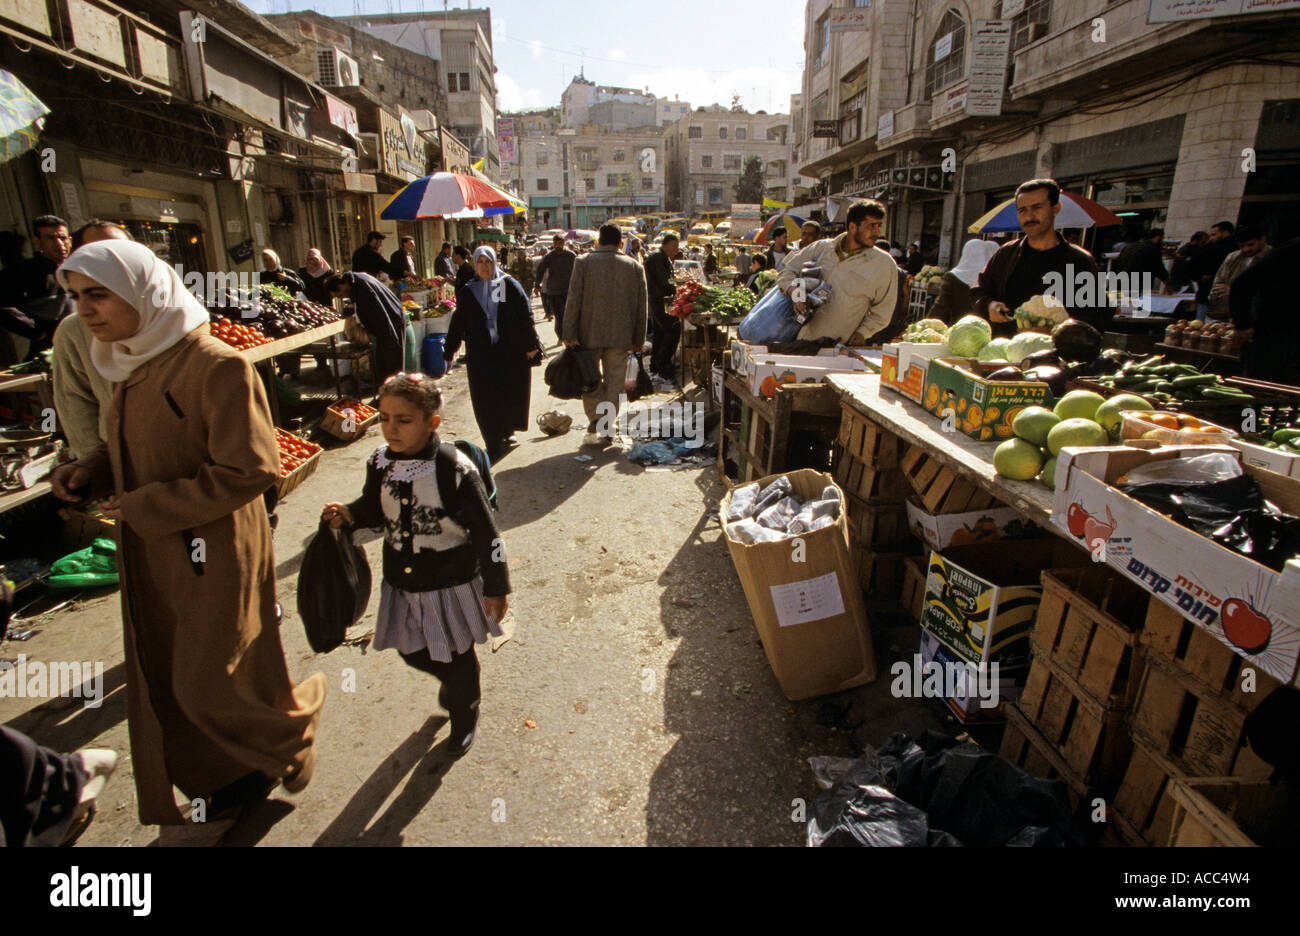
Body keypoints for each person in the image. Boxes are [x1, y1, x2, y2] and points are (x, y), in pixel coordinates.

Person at [50, 240, 326, 828]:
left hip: (214, 550)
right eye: (76, 298)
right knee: (175, 676)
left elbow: (251, 470)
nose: (86, 311)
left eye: (99, 294)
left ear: (143, 291)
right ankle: (228, 784)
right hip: (156, 551)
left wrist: (149, 504)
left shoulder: (216, 365)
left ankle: (285, 740)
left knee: (209, 678)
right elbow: (132, 447)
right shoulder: (129, 365)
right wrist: (91, 469)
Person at [321, 375, 510, 757]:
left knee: (455, 656)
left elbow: (487, 533)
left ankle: (464, 708)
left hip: (449, 583)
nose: (392, 428)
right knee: (410, 649)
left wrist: (497, 586)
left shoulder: (453, 469)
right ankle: (457, 683)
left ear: (432, 422)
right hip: (403, 583)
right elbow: (373, 507)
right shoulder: (379, 462)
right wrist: (349, 514)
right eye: (385, 417)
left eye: (404, 420)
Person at [971, 178, 1108, 338]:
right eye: (1022, 210)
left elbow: (1098, 315)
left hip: (1057, 356)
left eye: (1037, 207)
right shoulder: (1006, 254)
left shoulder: (1080, 261)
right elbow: (978, 290)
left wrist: (1060, 331)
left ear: (1055, 208)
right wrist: (989, 305)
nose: (1029, 216)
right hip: (1006, 352)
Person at [446, 246, 543, 461]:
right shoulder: (469, 290)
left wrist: (531, 344)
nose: (484, 266)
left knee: (507, 393)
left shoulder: (506, 285)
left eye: (488, 262)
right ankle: (492, 440)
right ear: (474, 264)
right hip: (481, 355)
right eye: (480, 262)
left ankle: (506, 431)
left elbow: (523, 315)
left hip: (507, 352)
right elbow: (458, 322)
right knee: (484, 398)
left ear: (494, 263)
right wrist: (450, 349)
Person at [562, 223, 647, 447]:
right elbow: (641, 307)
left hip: (587, 334)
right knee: (616, 382)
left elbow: (573, 300)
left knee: (590, 380)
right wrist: (639, 338)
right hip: (621, 336)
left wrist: (568, 332)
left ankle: (598, 418)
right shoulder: (634, 266)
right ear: (621, 243)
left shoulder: (583, 262)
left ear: (598, 241)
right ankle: (607, 423)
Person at [51, 222, 131, 460]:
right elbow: (75, 404)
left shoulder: (171, 323)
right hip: (119, 460)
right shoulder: (74, 331)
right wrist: (97, 468)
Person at [775, 200, 898, 345]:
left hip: (837, 350)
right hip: (798, 340)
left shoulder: (884, 264)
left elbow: (883, 312)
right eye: (872, 226)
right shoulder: (821, 248)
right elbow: (787, 271)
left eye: (879, 226)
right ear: (853, 227)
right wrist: (794, 292)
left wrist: (863, 333)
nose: (877, 232)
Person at [0, 215, 72, 359]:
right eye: (51, 238)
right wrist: (37, 332)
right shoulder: (23, 272)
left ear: (69, 239)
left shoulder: (80, 267)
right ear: (37, 241)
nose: (59, 244)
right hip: (51, 351)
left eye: (63, 238)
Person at [1229, 235, 1299, 382]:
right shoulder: (1291, 251)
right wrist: (1242, 325)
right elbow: (1242, 284)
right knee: (1260, 389)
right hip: (1273, 336)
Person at [327, 270, 408, 385]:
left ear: (341, 285)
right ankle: (387, 390)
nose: (342, 297)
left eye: (340, 295)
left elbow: (381, 316)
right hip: (389, 321)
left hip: (390, 322)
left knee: (392, 363)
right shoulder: (358, 279)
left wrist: (390, 339)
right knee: (383, 363)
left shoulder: (362, 287)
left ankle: (395, 393)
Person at [929, 239, 999, 325]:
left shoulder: (953, 277)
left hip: (958, 330)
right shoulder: (997, 279)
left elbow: (941, 309)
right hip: (991, 333)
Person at [1208, 226, 1271, 321]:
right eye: (1242, 246)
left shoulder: (1273, 258)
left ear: (1262, 239)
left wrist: (1235, 291)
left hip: (1259, 317)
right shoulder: (1233, 257)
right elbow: (1218, 283)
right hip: (1230, 314)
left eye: (1251, 245)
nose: (1246, 249)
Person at [644, 234, 681, 381]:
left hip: (657, 300)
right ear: (668, 245)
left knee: (659, 333)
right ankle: (664, 364)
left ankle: (656, 364)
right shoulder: (658, 257)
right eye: (675, 247)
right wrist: (678, 289)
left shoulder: (660, 257)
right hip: (658, 301)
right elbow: (663, 281)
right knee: (673, 328)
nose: (676, 250)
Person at [1189, 221, 1237, 320]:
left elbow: (1192, 263)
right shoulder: (1233, 249)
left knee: (1202, 325)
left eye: (1214, 234)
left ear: (1225, 233)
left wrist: (1199, 276)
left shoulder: (1215, 247)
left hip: (1211, 292)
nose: (1211, 238)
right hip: (1224, 296)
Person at [534, 234, 576, 335]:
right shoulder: (549, 257)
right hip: (554, 291)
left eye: (560, 243)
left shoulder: (571, 256)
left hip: (568, 291)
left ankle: (568, 336)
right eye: (556, 243)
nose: (558, 246)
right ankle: (560, 336)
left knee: (568, 315)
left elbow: (579, 271)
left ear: (564, 243)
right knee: (558, 316)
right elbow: (540, 270)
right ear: (553, 244)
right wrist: (537, 285)